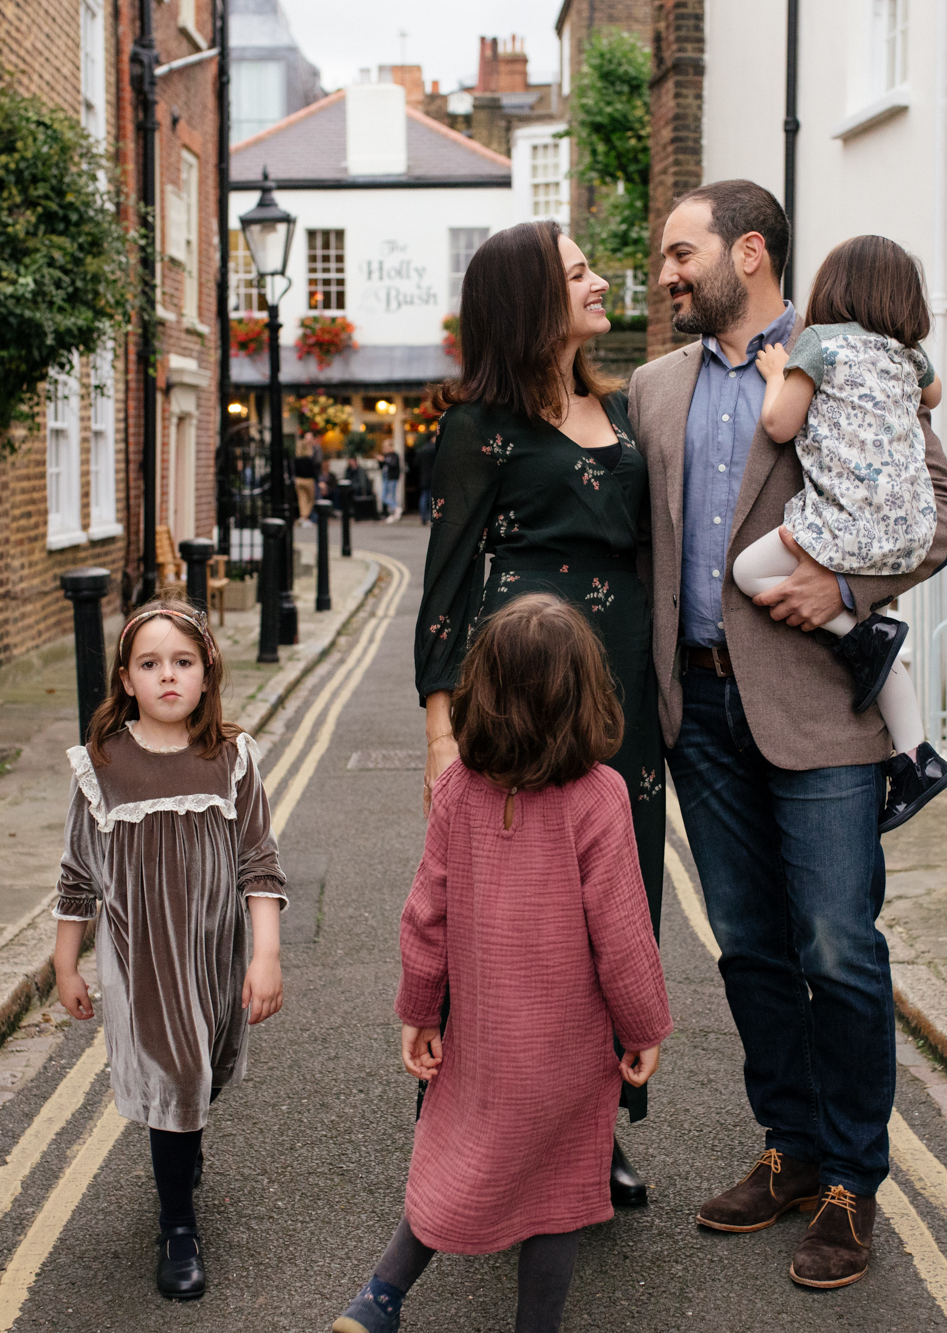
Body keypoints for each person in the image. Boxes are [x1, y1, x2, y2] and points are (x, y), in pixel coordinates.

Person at [629, 181, 947, 1290]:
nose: (666, 275)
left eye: (680, 254)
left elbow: (946, 508)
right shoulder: (651, 389)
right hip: (697, 712)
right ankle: (790, 1146)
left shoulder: (848, 353)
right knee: (747, 944)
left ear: (748, 253)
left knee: (837, 944)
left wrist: (847, 588)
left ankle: (852, 1178)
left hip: (820, 706)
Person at [333, 594, 671, 1333]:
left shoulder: (457, 788)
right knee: (558, 1192)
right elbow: (623, 932)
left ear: (480, 693)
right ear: (584, 695)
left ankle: (379, 1297)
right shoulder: (601, 795)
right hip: (566, 1053)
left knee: (456, 1157)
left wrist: (421, 1011)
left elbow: (425, 912)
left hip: (482, 1044)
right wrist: (643, 1026)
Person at [413, 219, 666, 1206]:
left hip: (621, 695)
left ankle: (593, 1122)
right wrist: (440, 736)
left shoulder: (623, 409)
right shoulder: (477, 428)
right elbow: (443, 591)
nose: (600, 282)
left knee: (617, 904)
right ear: (529, 301)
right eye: (578, 273)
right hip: (517, 700)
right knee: (511, 916)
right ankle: (472, 1108)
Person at [50, 602, 287, 1301]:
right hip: (139, 957)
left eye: (182, 661)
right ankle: (177, 1226)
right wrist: (65, 963)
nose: (168, 676)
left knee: (202, 1073)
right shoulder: (101, 766)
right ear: (126, 680)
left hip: (213, 953)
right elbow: (77, 874)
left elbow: (259, 863)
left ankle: (184, 1147)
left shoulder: (231, 759)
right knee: (176, 1074)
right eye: (150, 664)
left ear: (207, 672)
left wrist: (266, 954)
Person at [736, 234, 947, 832]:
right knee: (882, 653)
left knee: (747, 571)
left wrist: (778, 374)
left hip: (844, 524)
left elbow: (780, 425)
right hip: (908, 531)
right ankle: (917, 759)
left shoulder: (818, 342)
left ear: (832, 288)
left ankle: (860, 631)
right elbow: (935, 395)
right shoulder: (906, 355)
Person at [413, 433, 437, 526]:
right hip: (434, 476)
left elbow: (416, 464)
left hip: (424, 476)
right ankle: (431, 517)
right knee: (432, 497)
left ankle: (423, 517)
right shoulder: (435, 449)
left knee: (424, 496)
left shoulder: (422, 449)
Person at [294, 441, 321, 521]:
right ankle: (306, 516)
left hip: (299, 481)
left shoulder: (296, 459)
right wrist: (318, 481)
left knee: (301, 499)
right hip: (309, 481)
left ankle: (303, 516)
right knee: (310, 500)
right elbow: (313, 471)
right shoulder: (309, 459)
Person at [380, 443, 403, 521]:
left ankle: (394, 513)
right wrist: (380, 461)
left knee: (392, 496)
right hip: (385, 478)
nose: (385, 448)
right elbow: (382, 466)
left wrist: (384, 460)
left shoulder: (394, 455)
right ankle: (396, 508)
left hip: (392, 478)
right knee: (383, 497)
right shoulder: (385, 456)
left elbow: (393, 465)